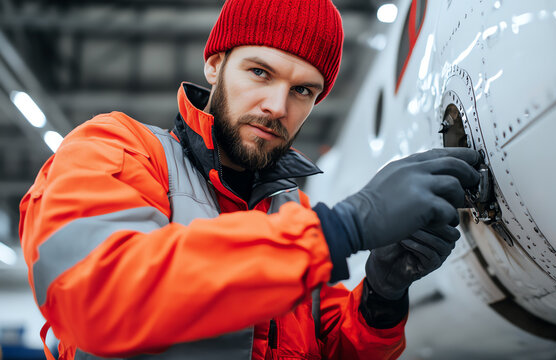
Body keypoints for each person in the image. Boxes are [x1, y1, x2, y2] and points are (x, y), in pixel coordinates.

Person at [19, 0, 480, 359]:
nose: (278, 106)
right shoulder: (118, 147)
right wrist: (342, 229)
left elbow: (323, 348)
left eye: (303, 90)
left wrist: (381, 294)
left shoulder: (289, 209)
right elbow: (97, 297)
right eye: (260, 72)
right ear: (215, 65)